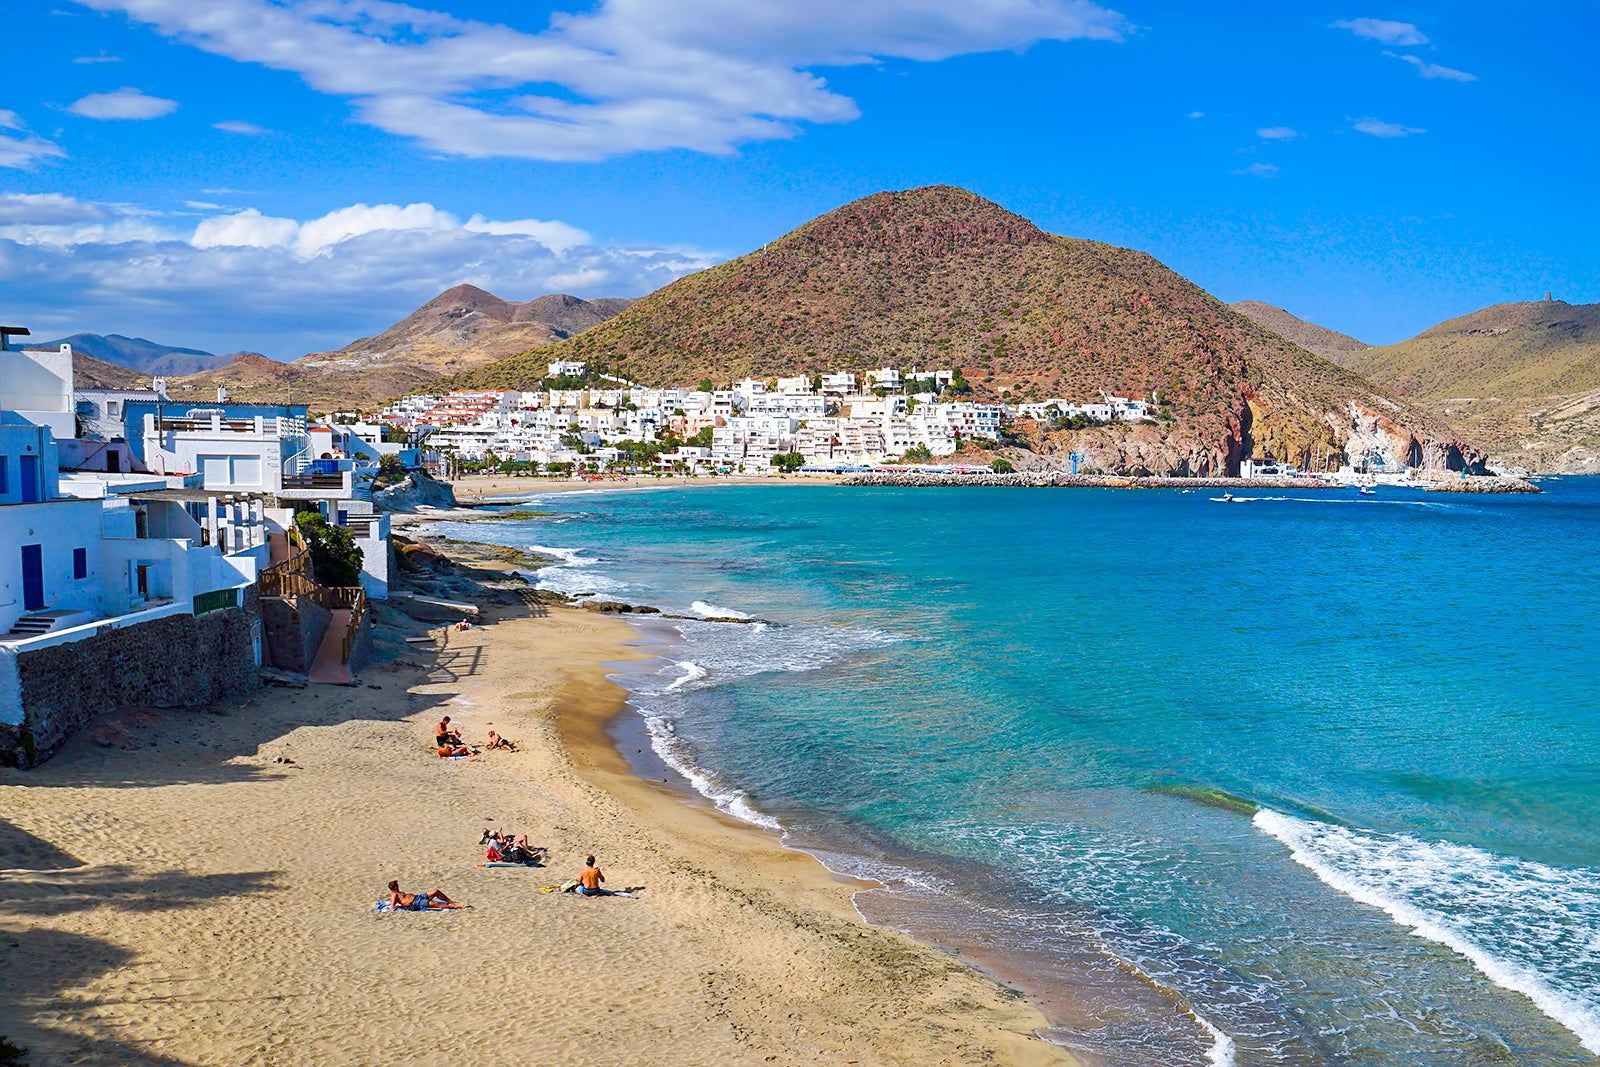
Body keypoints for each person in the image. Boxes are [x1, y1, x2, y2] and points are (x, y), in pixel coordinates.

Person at [386, 880, 467, 911]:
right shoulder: (394, 895)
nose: (398, 887)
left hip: (418, 896)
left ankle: (450, 901)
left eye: (398, 885)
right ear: (393, 888)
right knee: (436, 904)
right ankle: (457, 906)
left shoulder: (398, 892)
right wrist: (406, 906)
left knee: (436, 891)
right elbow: (393, 906)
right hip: (415, 902)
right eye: (397, 886)